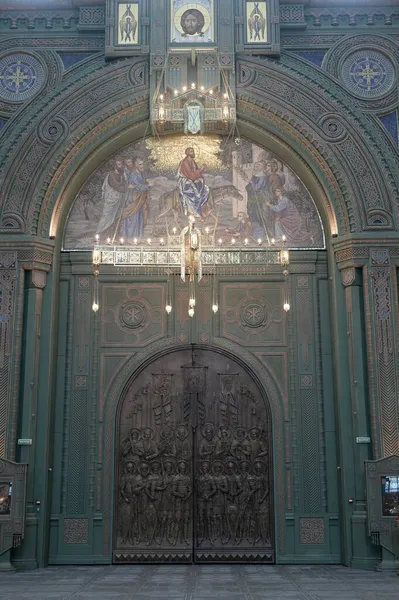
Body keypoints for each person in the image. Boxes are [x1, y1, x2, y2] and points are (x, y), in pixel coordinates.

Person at [120, 157, 151, 239]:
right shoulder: (134, 174)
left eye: (142, 164)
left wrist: (147, 183)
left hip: (139, 199)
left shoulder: (140, 173)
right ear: (136, 165)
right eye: (140, 164)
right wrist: (148, 186)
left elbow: (141, 184)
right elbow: (138, 187)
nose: (142, 166)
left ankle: (137, 238)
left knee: (138, 219)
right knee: (132, 219)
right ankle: (130, 238)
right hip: (134, 199)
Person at [97, 159, 127, 239]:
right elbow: (118, 187)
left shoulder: (121, 176)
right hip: (111, 201)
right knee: (106, 217)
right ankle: (100, 235)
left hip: (118, 201)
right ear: (115, 166)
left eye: (122, 164)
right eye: (119, 164)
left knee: (116, 217)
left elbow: (123, 186)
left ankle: (112, 236)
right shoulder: (111, 176)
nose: (121, 166)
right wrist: (127, 187)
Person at [177, 147, 210, 218]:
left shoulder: (193, 161)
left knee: (206, 190)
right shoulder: (185, 162)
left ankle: (200, 209)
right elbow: (189, 174)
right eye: (191, 152)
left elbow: (197, 171)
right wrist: (200, 170)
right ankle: (193, 212)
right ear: (188, 153)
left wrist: (200, 176)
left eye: (193, 151)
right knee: (194, 193)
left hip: (193, 179)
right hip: (185, 181)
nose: (193, 153)